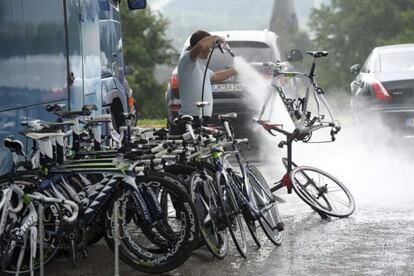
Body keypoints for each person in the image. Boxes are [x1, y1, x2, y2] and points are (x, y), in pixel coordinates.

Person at [176, 30, 237, 131]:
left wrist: (237, 69)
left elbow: (215, 76)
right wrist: (215, 38)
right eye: (208, 47)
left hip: (200, 116)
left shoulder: (199, 65)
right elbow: (200, 46)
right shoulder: (187, 60)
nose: (209, 50)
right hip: (191, 118)